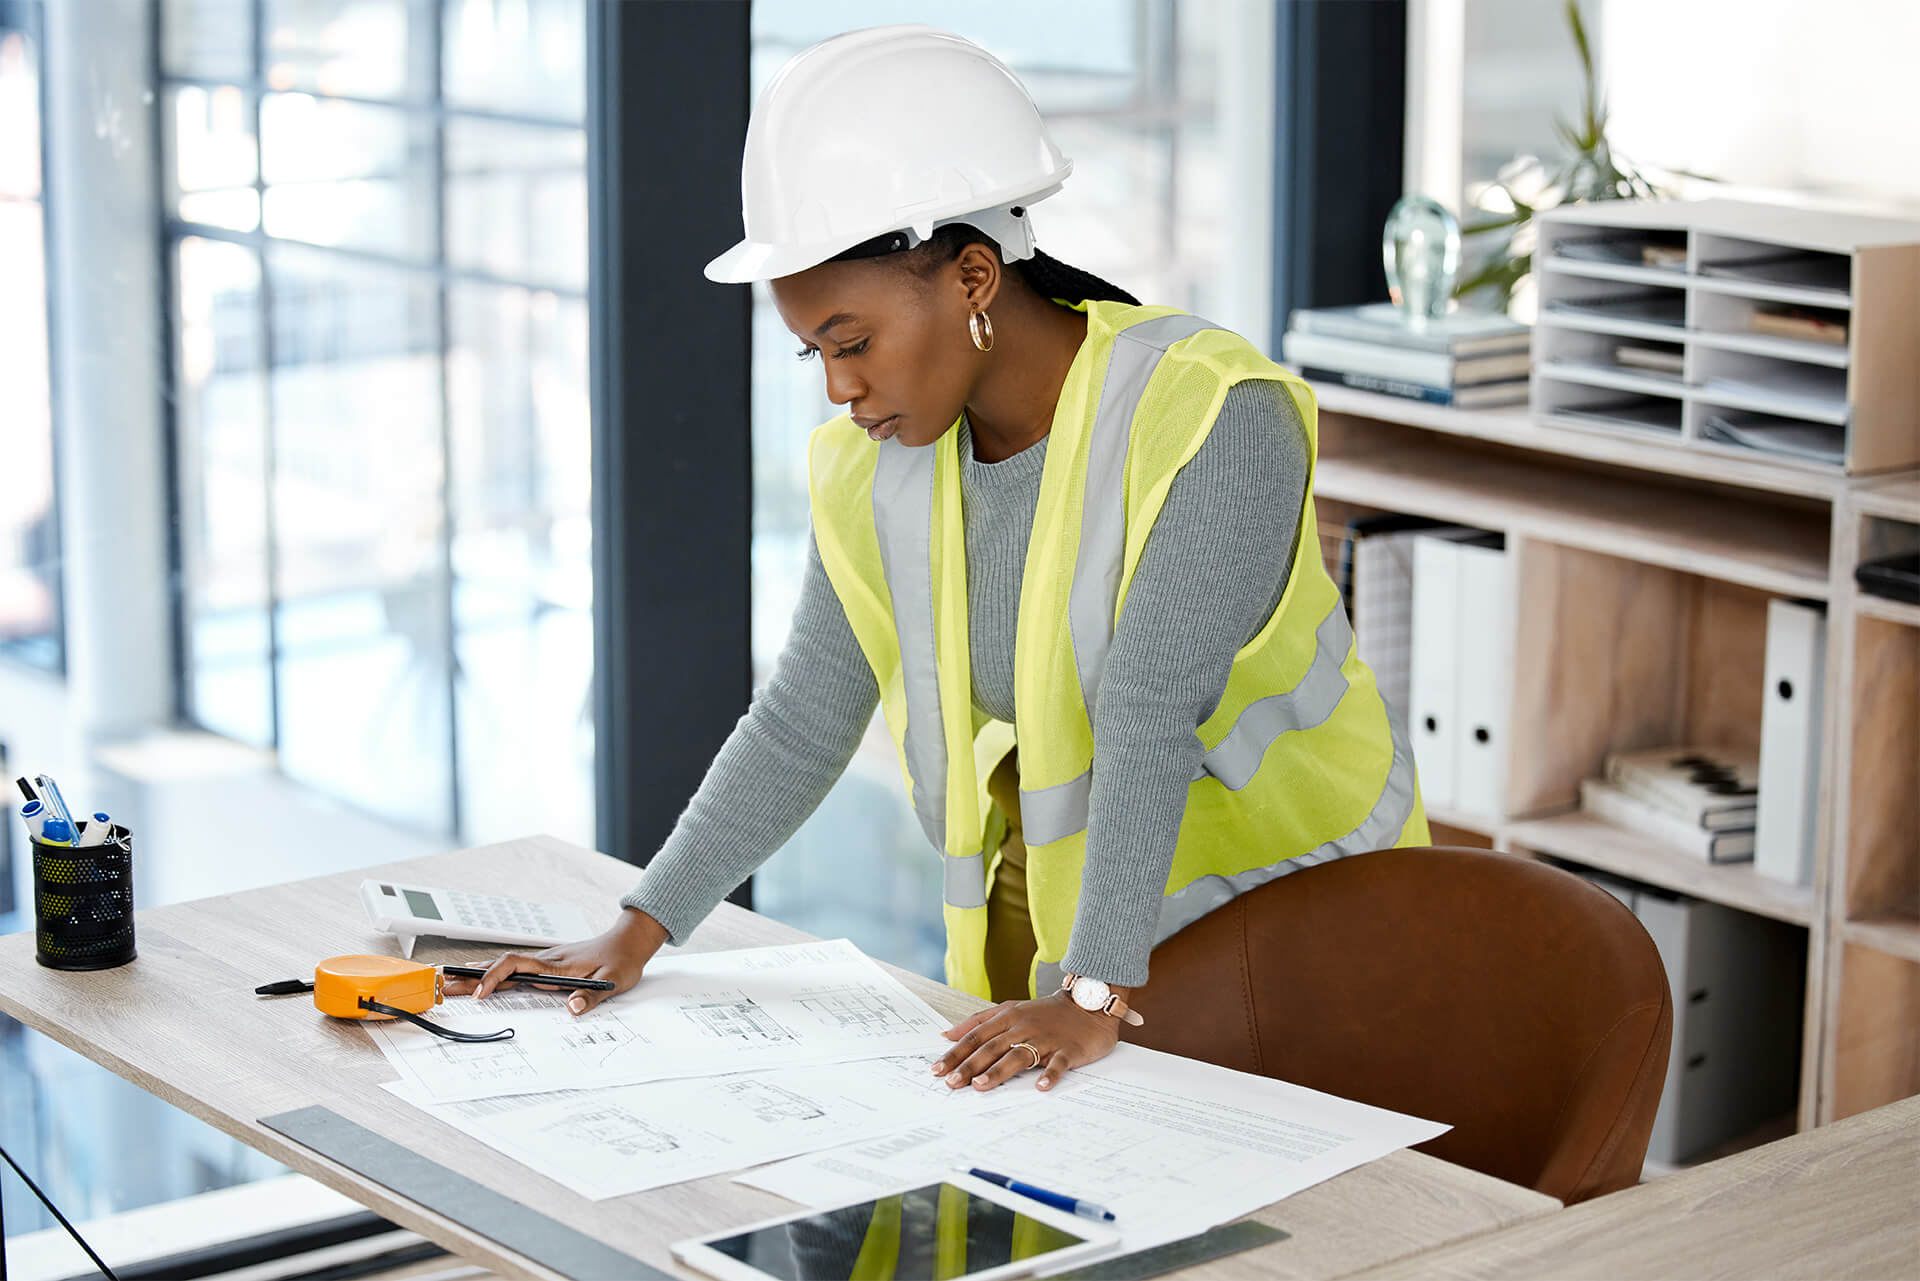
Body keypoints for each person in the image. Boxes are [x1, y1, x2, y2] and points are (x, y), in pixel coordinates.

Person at [448, 24, 1427, 1095]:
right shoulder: (880, 469)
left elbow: (1149, 711)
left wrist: (1095, 994)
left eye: (853, 341)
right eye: (813, 351)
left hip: (1304, 926)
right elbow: (804, 716)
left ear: (970, 278)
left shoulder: (1210, 416)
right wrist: (638, 930)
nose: (836, 389)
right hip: (1091, 952)